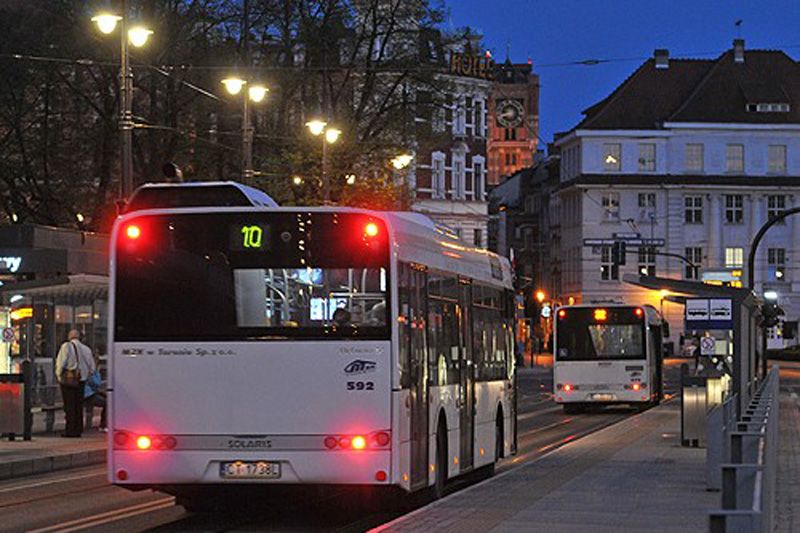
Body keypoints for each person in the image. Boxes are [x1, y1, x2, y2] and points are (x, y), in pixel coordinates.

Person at [55, 330, 96, 437]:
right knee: (78, 406)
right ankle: (78, 429)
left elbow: (61, 363)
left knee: (69, 406)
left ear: (70, 336)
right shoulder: (86, 349)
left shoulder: (66, 346)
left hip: (69, 380)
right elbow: (92, 368)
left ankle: (70, 430)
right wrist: (85, 375)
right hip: (81, 380)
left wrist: (59, 375)